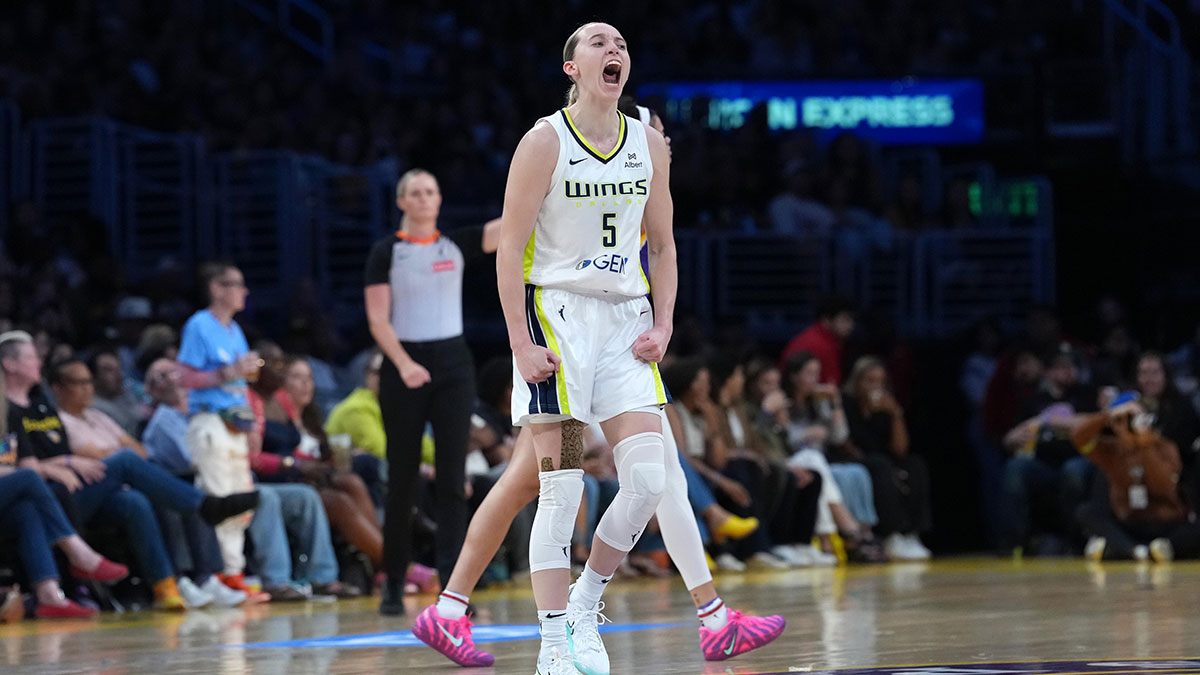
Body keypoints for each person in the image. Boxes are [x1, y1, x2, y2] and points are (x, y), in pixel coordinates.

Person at [492, 29, 775, 673]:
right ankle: (552, 642)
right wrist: (518, 339)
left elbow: (666, 245)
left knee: (649, 477)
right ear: (573, 66)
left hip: (626, 320)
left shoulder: (649, 142)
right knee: (561, 490)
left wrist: (666, 321)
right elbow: (510, 249)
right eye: (597, 41)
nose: (612, 47)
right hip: (555, 318)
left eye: (619, 41)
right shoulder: (544, 142)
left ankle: (588, 599)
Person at [1, 331, 259, 610]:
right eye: (30, 357)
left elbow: (134, 451)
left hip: (73, 487)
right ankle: (202, 506)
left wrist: (66, 463)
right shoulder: (10, 410)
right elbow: (29, 465)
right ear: (9, 364)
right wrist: (67, 462)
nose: (38, 360)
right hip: (52, 492)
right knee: (125, 462)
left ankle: (166, 586)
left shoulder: (42, 406)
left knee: (134, 501)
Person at [363, 168, 501, 614]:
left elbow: (515, 222)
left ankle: (453, 592)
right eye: (415, 193)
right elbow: (378, 319)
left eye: (431, 191)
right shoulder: (387, 252)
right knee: (401, 480)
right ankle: (392, 584)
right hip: (404, 366)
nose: (424, 198)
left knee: (451, 478)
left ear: (440, 199)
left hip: (454, 365)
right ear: (401, 202)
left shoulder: (455, 244)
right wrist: (403, 364)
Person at [141, 357, 349, 602]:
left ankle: (323, 577)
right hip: (205, 488)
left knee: (306, 496)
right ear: (151, 389)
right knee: (264, 498)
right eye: (161, 376)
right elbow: (202, 460)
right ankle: (276, 581)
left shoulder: (206, 410)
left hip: (240, 478)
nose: (172, 380)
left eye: (174, 373)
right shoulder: (165, 421)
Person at [175, 262, 265, 596]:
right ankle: (216, 572)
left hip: (235, 422)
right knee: (217, 495)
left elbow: (242, 384)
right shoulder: (199, 325)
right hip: (210, 421)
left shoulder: (234, 331)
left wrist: (252, 422)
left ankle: (234, 571)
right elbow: (184, 377)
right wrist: (225, 374)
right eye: (236, 284)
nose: (244, 292)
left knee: (239, 497)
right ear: (216, 288)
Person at [1073, 396, 1200, 561]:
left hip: (1165, 526)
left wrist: (1144, 445)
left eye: (1135, 418)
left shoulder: (1166, 448)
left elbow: (1162, 487)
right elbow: (1078, 437)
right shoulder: (1113, 449)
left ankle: (1133, 548)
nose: (1130, 423)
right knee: (1086, 512)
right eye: (1126, 418)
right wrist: (1107, 416)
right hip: (1129, 524)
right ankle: (1137, 551)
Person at [842, 356, 933, 560]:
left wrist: (896, 414)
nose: (876, 386)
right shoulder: (846, 403)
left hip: (882, 459)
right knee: (880, 465)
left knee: (915, 464)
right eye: (870, 380)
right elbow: (843, 442)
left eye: (881, 381)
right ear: (856, 381)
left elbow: (900, 449)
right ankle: (891, 534)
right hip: (854, 459)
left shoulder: (886, 408)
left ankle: (911, 533)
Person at [779, 294, 856, 386]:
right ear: (826, 320)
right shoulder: (819, 344)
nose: (851, 326)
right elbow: (830, 384)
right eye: (845, 320)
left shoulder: (826, 340)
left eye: (852, 320)